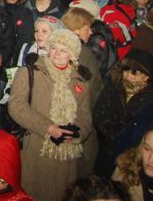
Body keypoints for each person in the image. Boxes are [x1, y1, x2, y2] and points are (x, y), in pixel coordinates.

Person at [8, 28, 94, 201]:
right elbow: (16, 106)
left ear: (72, 55)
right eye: (53, 48)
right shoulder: (30, 72)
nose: (57, 53)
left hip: (67, 157)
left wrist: (76, 134)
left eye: (63, 50)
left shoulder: (80, 82)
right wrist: (48, 128)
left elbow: (86, 116)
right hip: (35, 148)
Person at [93, 49, 153, 176]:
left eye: (134, 72)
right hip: (106, 151)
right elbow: (99, 113)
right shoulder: (113, 87)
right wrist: (109, 129)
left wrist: (125, 135)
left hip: (131, 158)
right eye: (126, 69)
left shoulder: (151, 99)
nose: (128, 75)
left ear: (147, 76)